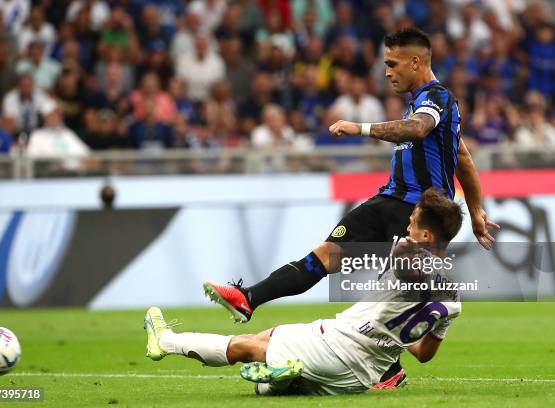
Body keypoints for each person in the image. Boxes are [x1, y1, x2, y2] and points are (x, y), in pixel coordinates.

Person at [203, 27, 500, 387]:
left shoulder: (437, 99)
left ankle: (387, 372)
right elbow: (463, 159)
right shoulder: (422, 101)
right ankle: (250, 297)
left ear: (416, 61)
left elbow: (418, 130)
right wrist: (478, 209)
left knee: (387, 297)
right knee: (327, 255)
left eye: (392, 64)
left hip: (418, 211)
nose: (387, 71)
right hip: (389, 200)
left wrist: (360, 127)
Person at [145, 188, 463, 396]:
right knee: (269, 350)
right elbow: (422, 354)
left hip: (340, 347)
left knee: (247, 347)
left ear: (424, 234)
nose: (404, 230)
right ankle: (283, 379)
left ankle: (165, 341)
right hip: (361, 377)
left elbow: (412, 267)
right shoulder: (453, 298)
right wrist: (391, 337)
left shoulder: (406, 251)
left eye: (410, 224)